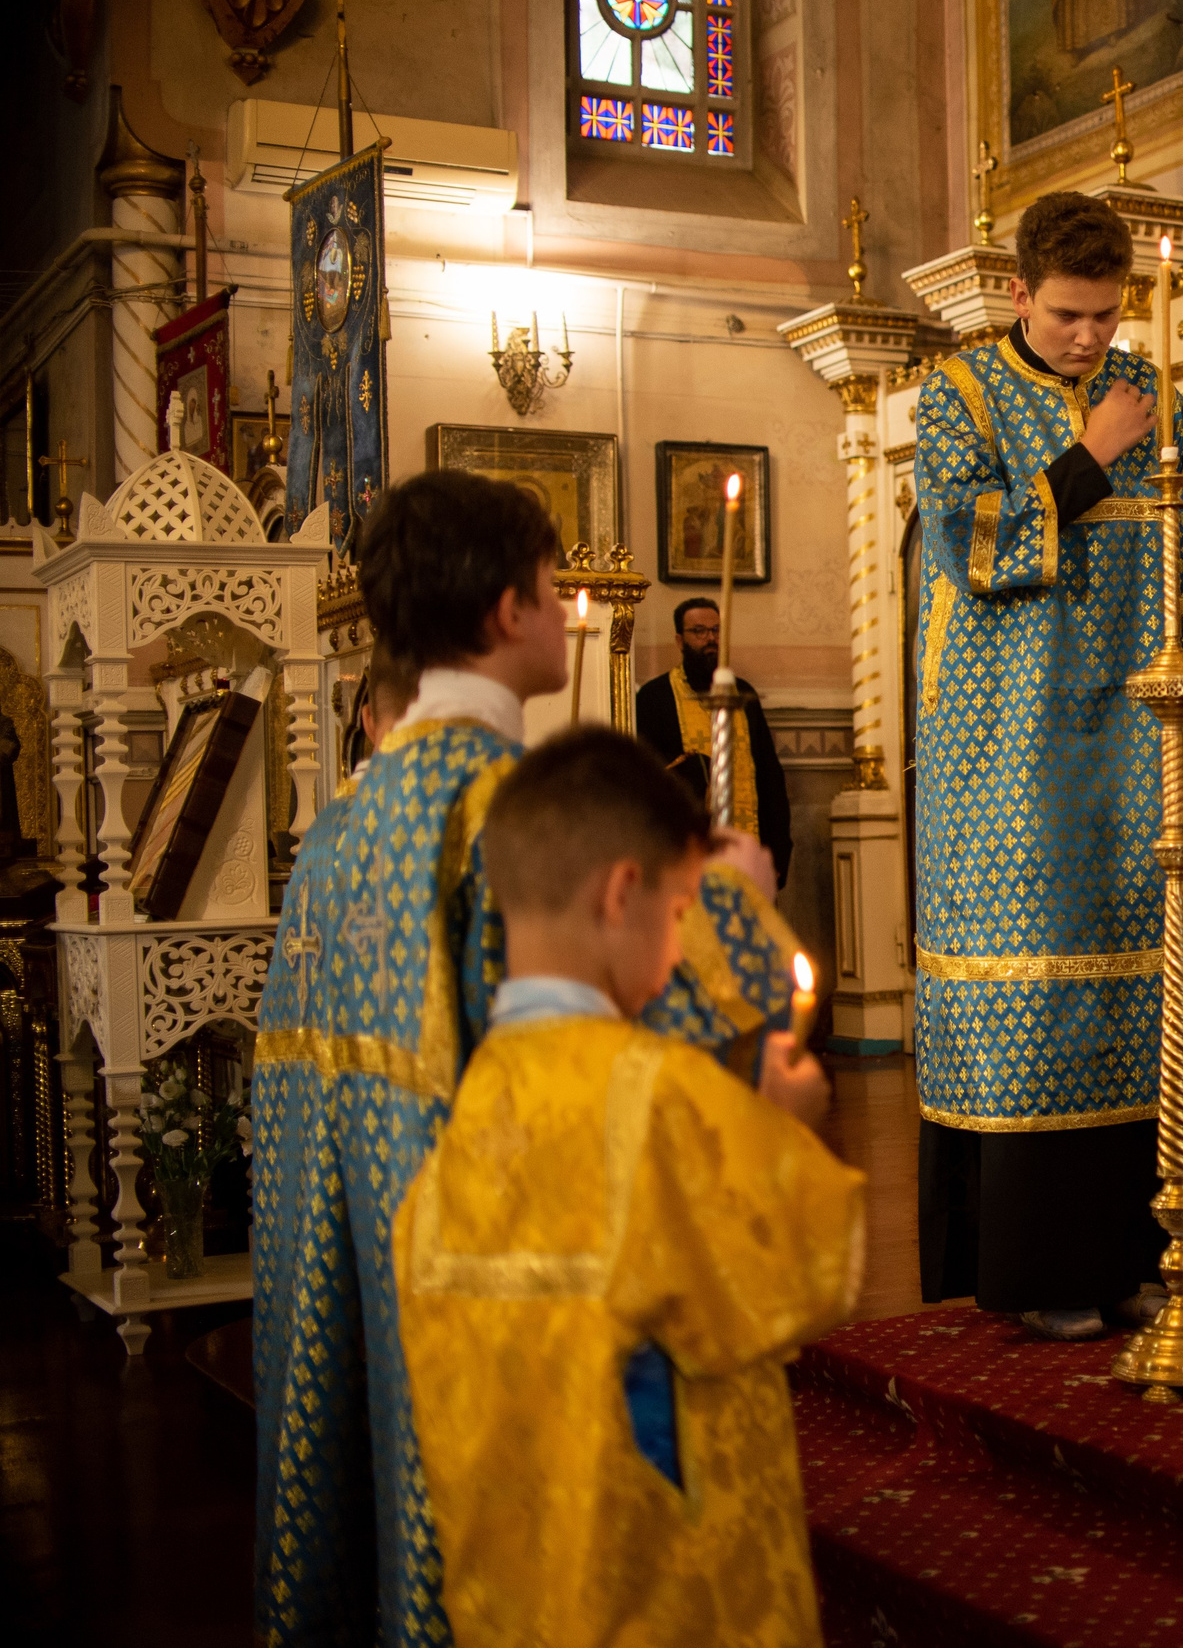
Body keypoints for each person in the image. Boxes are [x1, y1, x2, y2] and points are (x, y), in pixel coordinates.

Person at [251, 470, 802, 1648]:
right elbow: (604, 1052)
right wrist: (736, 915)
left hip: (358, 1277)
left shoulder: (342, 826)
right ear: (510, 611)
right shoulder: (502, 808)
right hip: (498, 1309)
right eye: (557, 588)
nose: (567, 610)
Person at [395, 727, 862, 1648]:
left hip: (514, 1593)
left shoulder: (461, 1126)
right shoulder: (657, 1095)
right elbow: (800, 1284)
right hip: (656, 1592)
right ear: (622, 894)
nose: (682, 937)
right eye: (682, 904)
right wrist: (778, 1128)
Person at [910, 191, 1183, 1341]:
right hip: (998, 751)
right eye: (1066, 314)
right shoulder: (955, 397)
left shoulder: (1155, 394)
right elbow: (975, 550)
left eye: (1105, 315)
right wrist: (1090, 452)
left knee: (1139, 996)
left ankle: (1137, 1250)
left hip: (1125, 739)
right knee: (1031, 990)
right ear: (1019, 293)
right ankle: (1035, 1266)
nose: (1088, 336)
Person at [635, 596, 795, 887]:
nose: (710, 639)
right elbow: (648, 786)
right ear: (680, 640)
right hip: (687, 860)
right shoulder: (654, 698)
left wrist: (777, 855)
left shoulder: (743, 694)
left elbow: (769, 777)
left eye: (716, 630)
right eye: (699, 631)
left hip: (748, 854)